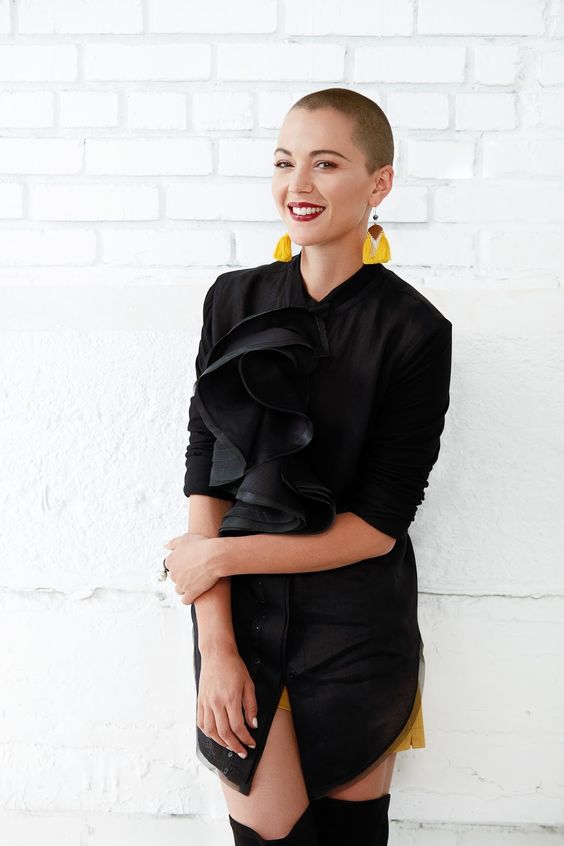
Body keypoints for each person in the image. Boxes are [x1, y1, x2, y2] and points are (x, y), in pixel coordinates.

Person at [163, 87, 453, 845]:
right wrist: (216, 646)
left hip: (357, 627)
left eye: (325, 164)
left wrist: (217, 557)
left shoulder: (416, 331)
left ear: (379, 183)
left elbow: (378, 526)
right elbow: (206, 470)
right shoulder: (232, 302)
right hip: (242, 624)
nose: (298, 184)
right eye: (284, 162)